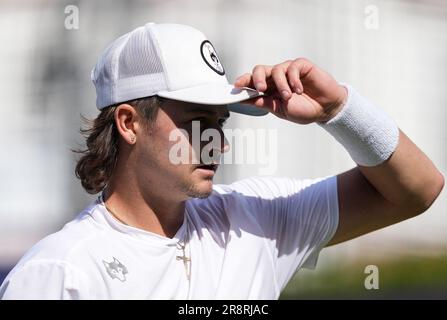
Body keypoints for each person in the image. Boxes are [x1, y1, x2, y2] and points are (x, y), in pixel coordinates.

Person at [0, 22, 443, 299]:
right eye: (197, 121)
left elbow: (419, 189)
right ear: (129, 122)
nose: (217, 143)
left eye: (220, 123)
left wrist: (339, 111)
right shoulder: (58, 272)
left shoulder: (255, 218)